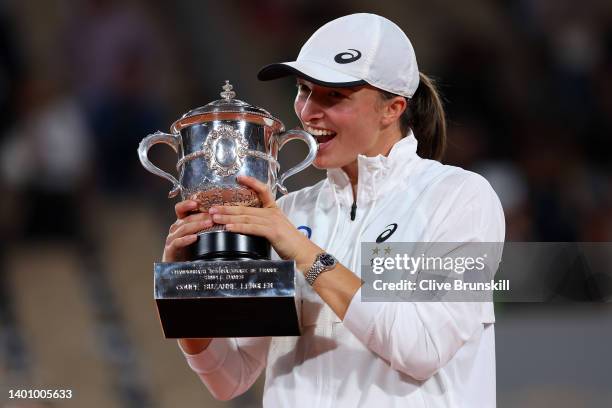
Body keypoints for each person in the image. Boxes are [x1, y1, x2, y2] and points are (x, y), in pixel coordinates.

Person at [163, 13, 504, 407]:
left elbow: (420, 348)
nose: (308, 112)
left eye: (333, 96)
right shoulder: (288, 213)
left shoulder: (457, 197)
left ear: (391, 109)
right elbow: (230, 377)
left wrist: (303, 251)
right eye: (303, 90)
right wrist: (182, 292)